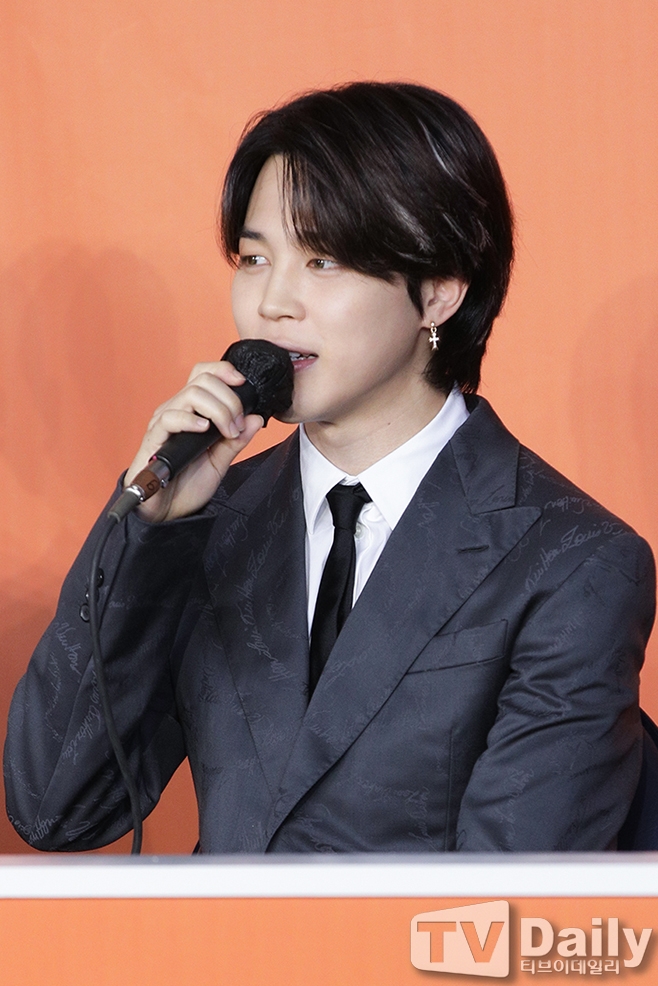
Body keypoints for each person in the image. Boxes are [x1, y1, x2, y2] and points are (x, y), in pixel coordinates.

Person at [4, 82, 655, 853]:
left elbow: (506, 897)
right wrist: (148, 534)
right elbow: (55, 808)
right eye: (254, 258)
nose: (272, 303)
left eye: (322, 259)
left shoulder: (572, 560)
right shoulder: (210, 521)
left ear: (439, 292)